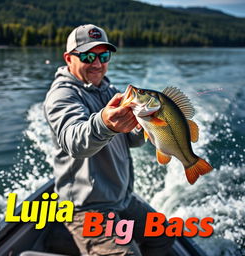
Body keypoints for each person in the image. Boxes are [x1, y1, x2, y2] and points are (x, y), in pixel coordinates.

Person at [44, 24, 174, 255]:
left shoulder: (108, 89)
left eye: (103, 55)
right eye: (87, 56)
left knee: (164, 233)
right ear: (68, 58)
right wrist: (104, 123)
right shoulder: (61, 95)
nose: (97, 63)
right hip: (85, 209)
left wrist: (147, 128)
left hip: (121, 199)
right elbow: (75, 141)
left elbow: (130, 140)